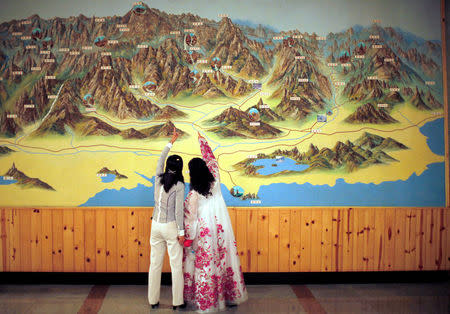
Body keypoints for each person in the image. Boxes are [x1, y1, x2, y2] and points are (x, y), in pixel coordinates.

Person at [183, 132, 248, 312]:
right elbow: (212, 161)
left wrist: (188, 240)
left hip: (204, 231)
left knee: (205, 264)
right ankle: (229, 296)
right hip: (222, 227)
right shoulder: (216, 181)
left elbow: (190, 219)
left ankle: (207, 302)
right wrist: (203, 142)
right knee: (224, 260)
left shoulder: (193, 194)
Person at [148, 127, 186, 310]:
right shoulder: (179, 185)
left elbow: (160, 160)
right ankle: (177, 302)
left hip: (155, 225)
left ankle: (153, 301)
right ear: (180, 168)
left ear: (166, 166)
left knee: (154, 265)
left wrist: (171, 142)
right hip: (171, 227)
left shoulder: (158, 178)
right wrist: (181, 233)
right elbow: (178, 212)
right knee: (176, 266)